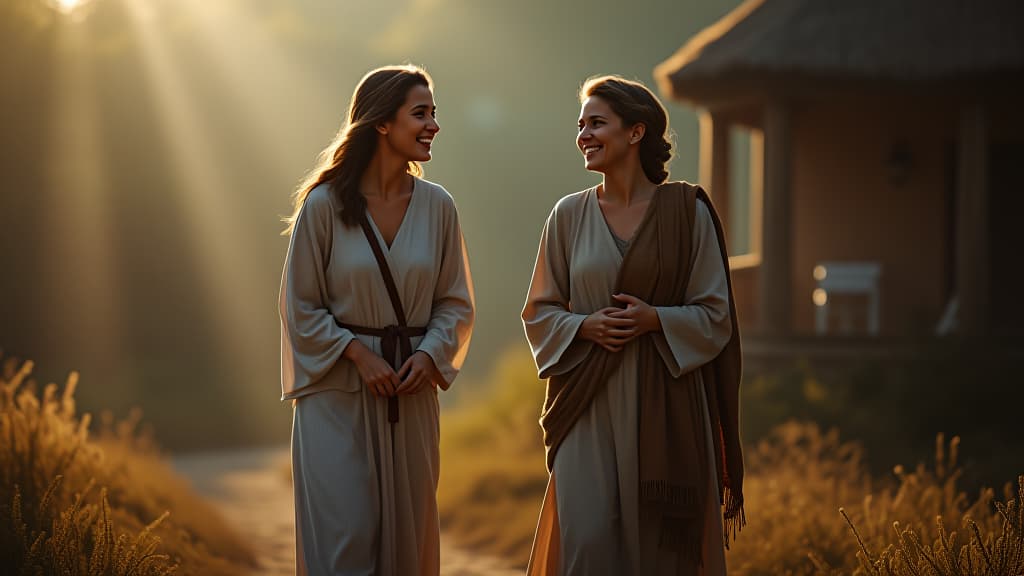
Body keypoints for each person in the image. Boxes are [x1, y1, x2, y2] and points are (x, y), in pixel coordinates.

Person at [522, 75, 745, 576]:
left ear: (636, 132)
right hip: (586, 402)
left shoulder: (688, 213)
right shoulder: (567, 215)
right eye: (581, 125)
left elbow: (716, 315)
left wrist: (654, 320)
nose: (584, 134)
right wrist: (585, 327)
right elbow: (539, 311)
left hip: (668, 403)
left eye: (597, 123)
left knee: (658, 553)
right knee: (588, 543)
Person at [279, 64, 474, 576]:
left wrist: (430, 354)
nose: (433, 125)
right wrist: (358, 354)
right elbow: (299, 304)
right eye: (421, 114)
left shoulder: (439, 208)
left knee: (406, 544)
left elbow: (455, 302)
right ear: (382, 123)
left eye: (434, 114)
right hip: (336, 392)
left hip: (410, 396)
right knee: (347, 540)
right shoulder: (322, 207)